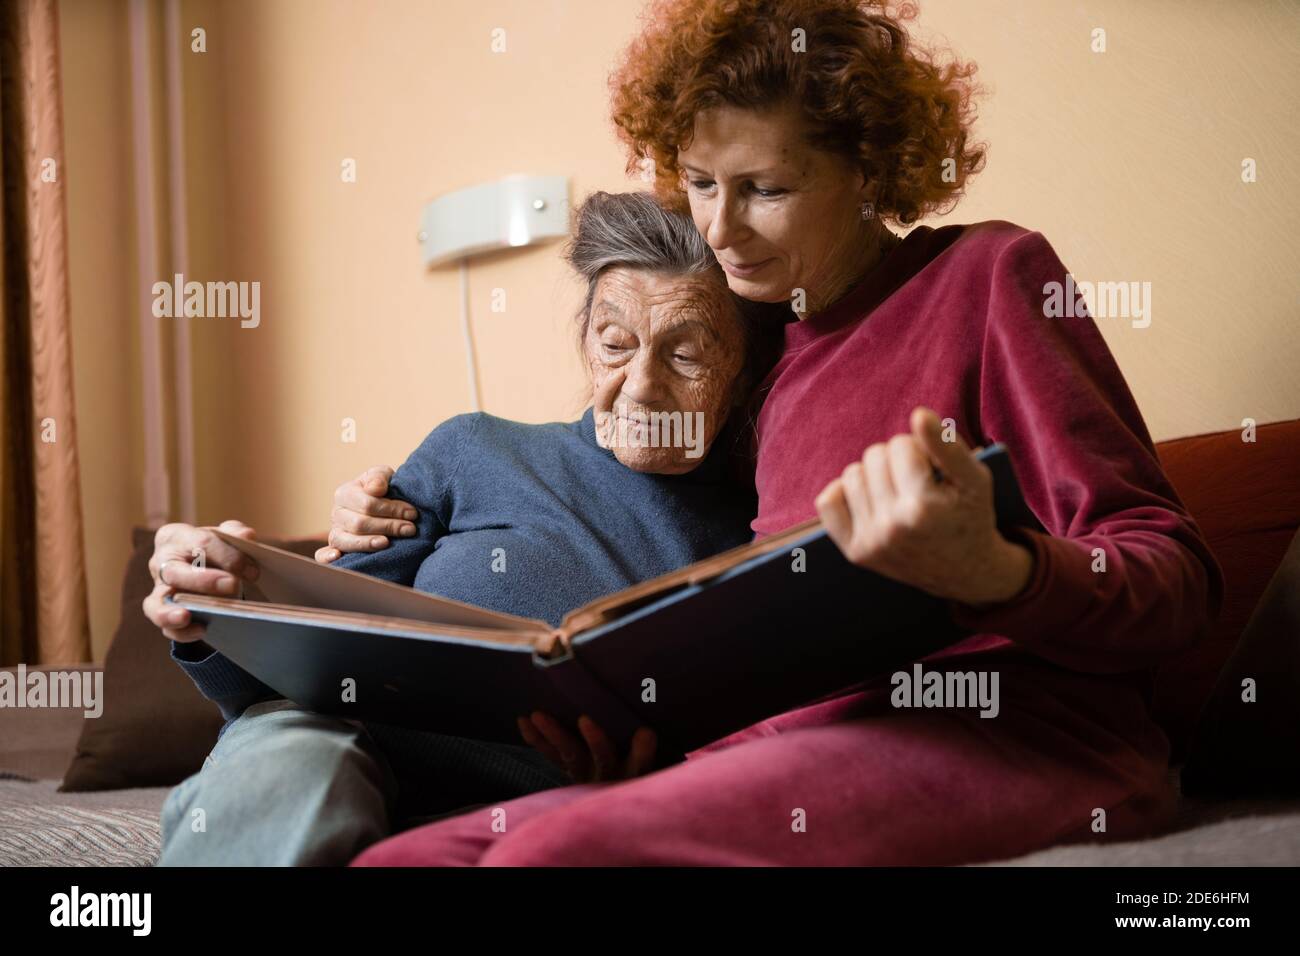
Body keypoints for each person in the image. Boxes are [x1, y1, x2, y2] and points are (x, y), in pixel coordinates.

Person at [344, 0, 1224, 866]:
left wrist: (1001, 571)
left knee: (558, 854)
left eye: (765, 188)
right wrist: (378, 516)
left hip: (1017, 738)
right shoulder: (754, 347)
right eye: (698, 183)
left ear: (870, 171)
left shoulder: (987, 277)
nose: (718, 228)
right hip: (769, 752)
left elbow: (1173, 573)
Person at [143, 191, 784, 865]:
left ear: (744, 376)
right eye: (615, 344)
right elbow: (308, 666)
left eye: (685, 357)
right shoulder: (475, 449)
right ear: (585, 343)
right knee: (297, 768)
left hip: (532, 805)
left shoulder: (758, 528)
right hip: (337, 744)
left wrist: (641, 784)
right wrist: (219, 604)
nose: (641, 384)